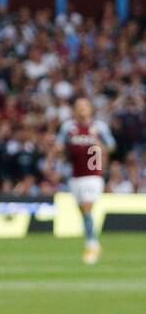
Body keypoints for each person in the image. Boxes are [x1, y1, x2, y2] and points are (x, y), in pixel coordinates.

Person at [57, 97, 115, 264]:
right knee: (83, 212)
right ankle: (92, 240)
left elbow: (111, 145)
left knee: (87, 208)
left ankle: (92, 245)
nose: (82, 109)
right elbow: (60, 145)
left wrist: (100, 145)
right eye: (78, 106)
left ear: (90, 109)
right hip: (75, 176)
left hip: (93, 174)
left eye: (84, 106)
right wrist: (59, 150)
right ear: (75, 110)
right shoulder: (68, 127)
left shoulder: (99, 127)